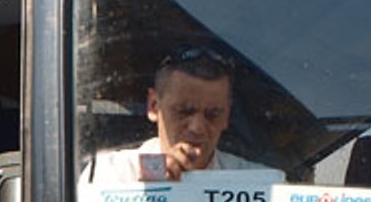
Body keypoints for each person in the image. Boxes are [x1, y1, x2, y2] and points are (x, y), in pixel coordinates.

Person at [88, 43, 281, 184]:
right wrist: (148, 191)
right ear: (154, 106)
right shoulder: (112, 174)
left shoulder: (259, 185)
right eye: (183, 112)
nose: (197, 128)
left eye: (212, 114)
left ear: (227, 117)